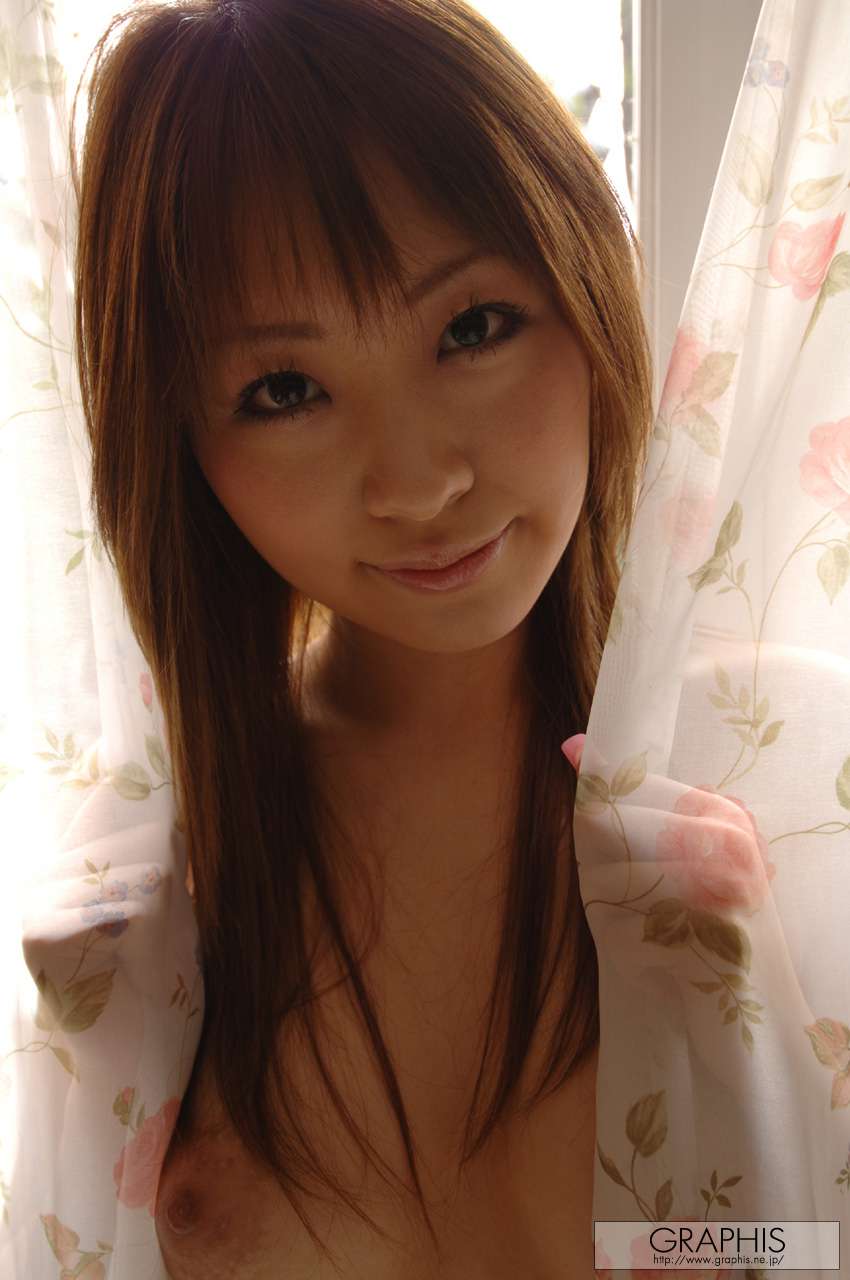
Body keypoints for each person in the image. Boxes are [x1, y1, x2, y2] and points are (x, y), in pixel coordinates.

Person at [66, 0, 653, 1274]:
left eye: (471, 326)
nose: (416, 482)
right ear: (183, 442)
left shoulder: (773, 772)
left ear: (587, 284)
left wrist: (767, 1053)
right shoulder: (169, 853)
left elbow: (791, 1235)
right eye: (285, 390)